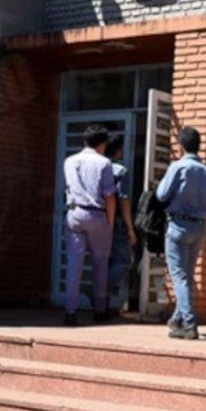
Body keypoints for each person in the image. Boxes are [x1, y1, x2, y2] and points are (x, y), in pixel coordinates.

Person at [156, 127, 206, 340]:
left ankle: (189, 323)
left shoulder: (178, 167)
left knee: (179, 276)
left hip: (178, 225)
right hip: (199, 227)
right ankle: (177, 318)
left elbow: (161, 194)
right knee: (187, 276)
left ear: (181, 146)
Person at [62, 125, 117, 327]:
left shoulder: (69, 161)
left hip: (74, 213)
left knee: (74, 265)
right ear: (102, 144)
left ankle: (70, 312)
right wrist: (110, 221)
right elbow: (110, 196)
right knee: (100, 264)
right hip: (97, 214)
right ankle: (99, 310)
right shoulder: (104, 163)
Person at [104, 135, 139, 318]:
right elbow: (123, 201)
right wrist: (130, 228)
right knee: (124, 261)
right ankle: (99, 289)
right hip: (115, 220)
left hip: (97, 219)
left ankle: (103, 304)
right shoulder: (120, 171)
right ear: (117, 151)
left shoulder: (96, 167)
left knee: (105, 261)